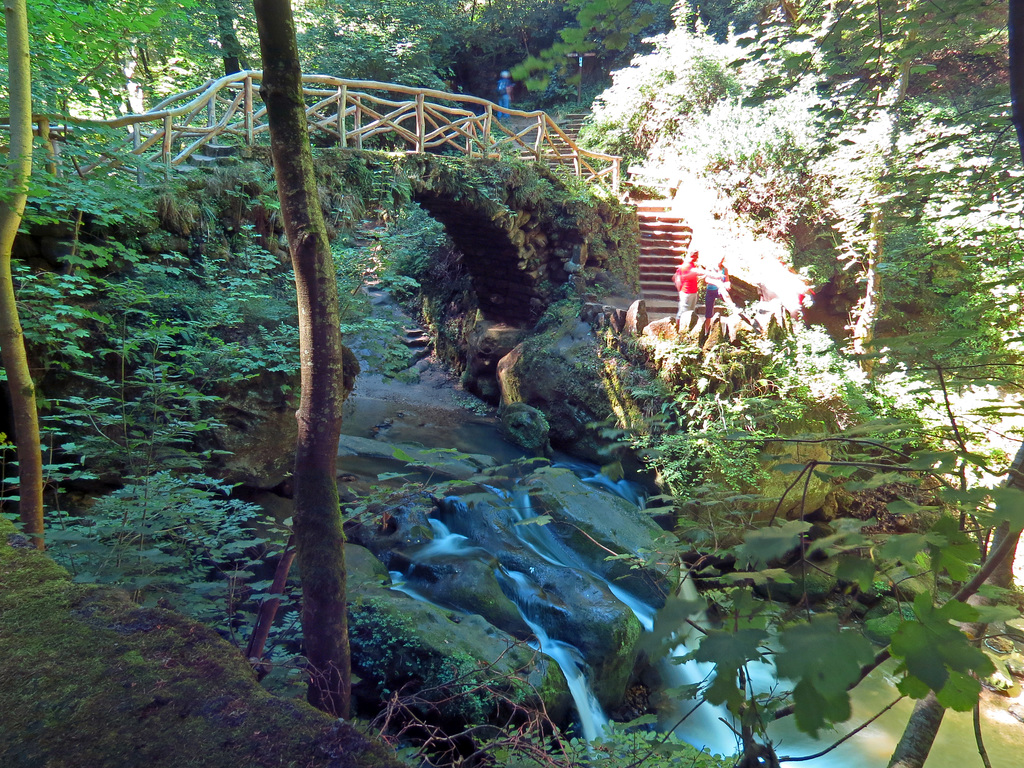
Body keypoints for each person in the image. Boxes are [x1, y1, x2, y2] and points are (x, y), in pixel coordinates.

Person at [703, 256, 736, 329]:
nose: (720, 261)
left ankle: (733, 307)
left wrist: (727, 284)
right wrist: (716, 283)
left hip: (719, 290)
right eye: (719, 259)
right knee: (708, 314)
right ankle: (706, 331)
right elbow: (707, 279)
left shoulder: (724, 269)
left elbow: (727, 280)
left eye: (721, 260)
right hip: (710, 291)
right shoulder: (710, 268)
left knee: (723, 290)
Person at [673, 250, 703, 325]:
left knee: (690, 312)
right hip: (686, 292)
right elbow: (677, 279)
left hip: (693, 291)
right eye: (696, 256)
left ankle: (687, 328)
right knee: (682, 313)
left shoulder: (692, 265)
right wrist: (680, 291)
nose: (697, 258)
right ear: (693, 256)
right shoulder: (686, 266)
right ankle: (677, 329)